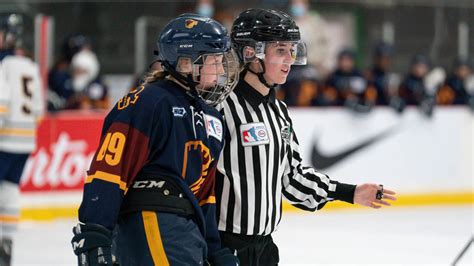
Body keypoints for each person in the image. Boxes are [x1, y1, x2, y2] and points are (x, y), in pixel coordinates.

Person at [215, 9, 397, 265]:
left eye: (291, 50)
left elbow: (293, 178)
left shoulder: (279, 112)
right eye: (280, 50)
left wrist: (351, 193)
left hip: (265, 250)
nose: (289, 59)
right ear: (250, 53)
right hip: (223, 248)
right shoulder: (220, 107)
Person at [70, 14, 240, 266]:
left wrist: (214, 249)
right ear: (186, 63)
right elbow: (110, 170)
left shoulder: (211, 117)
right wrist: (95, 230)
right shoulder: (149, 102)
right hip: (152, 222)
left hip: (187, 231)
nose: (221, 69)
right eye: (214, 60)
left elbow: (204, 195)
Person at [0, 14, 44, 266]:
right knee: (9, 191)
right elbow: (38, 109)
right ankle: (6, 243)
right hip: (25, 140)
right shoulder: (29, 65)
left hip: (4, 140)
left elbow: (1, 103)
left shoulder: (3, 65)